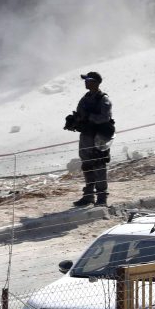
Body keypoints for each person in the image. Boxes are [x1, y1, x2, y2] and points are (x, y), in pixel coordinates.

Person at [64, 71, 115, 207]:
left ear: (96, 82)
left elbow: (105, 118)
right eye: (85, 80)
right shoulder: (85, 98)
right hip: (86, 136)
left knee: (99, 165)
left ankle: (102, 198)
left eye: (89, 80)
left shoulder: (103, 99)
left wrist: (89, 117)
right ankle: (88, 196)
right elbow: (81, 114)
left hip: (99, 138)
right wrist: (74, 121)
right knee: (87, 166)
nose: (86, 82)